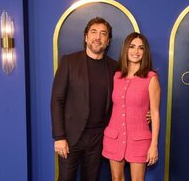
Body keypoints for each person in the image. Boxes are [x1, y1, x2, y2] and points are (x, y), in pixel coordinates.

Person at [51, 17, 117, 181]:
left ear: (108, 41)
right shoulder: (69, 62)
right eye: (93, 32)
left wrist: (145, 112)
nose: (98, 37)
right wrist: (59, 137)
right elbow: (57, 100)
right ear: (86, 37)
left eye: (103, 34)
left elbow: (124, 97)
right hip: (71, 136)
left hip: (98, 137)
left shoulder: (115, 67)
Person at [102, 32, 160, 181]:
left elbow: (154, 114)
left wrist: (154, 145)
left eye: (141, 48)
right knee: (116, 178)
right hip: (114, 137)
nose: (136, 51)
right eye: (132, 47)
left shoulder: (151, 78)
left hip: (139, 140)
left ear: (145, 52)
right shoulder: (116, 76)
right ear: (125, 49)